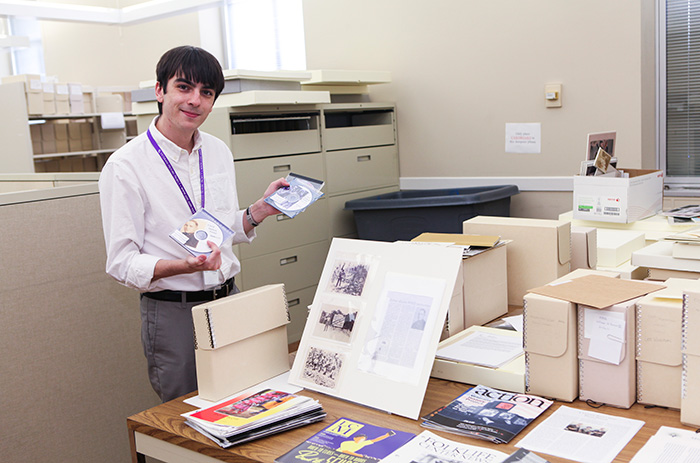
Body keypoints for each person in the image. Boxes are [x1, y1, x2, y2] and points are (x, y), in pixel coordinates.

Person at [98, 45, 288, 402]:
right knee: (186, 415)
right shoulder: (126, 166)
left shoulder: (218, 151)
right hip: (174, 313)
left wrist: (257, 212)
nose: (195, 100)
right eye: (184, 87)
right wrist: (183, 265)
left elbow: (215, 229)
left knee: (242, 402)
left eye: (206, 92)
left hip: (227, 299)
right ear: (160, 91)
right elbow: (121, 262)